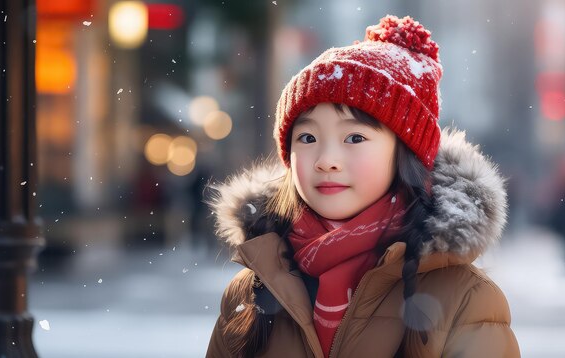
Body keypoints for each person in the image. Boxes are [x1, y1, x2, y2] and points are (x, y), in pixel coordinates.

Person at [206, 15, 520, 357]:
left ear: (404, 155)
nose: (326, 160)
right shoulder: (251, 291)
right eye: (308, 137)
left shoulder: (465, 299)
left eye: (354, 137)